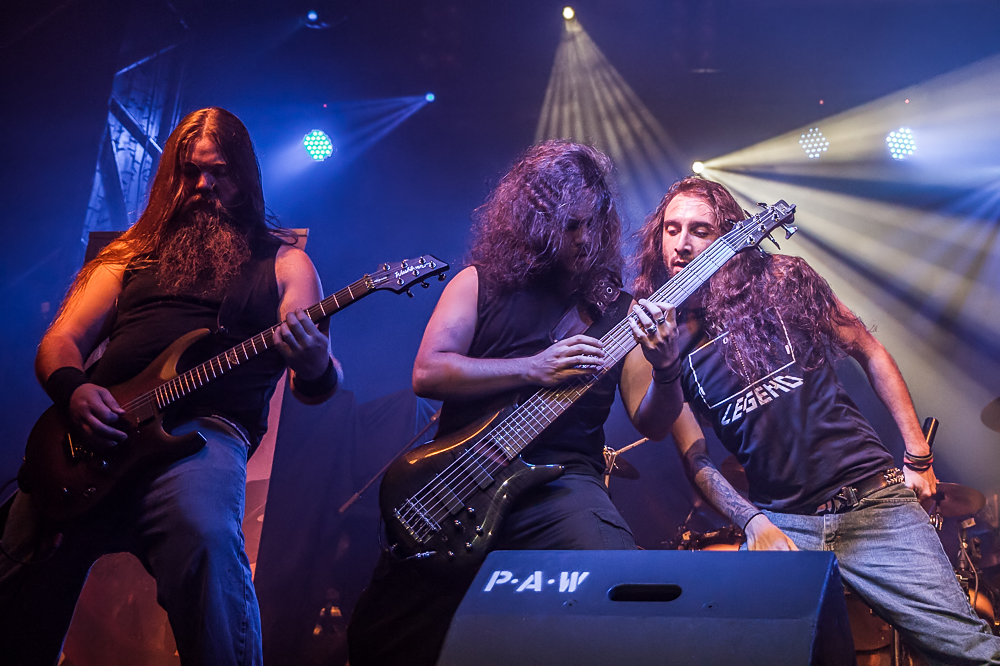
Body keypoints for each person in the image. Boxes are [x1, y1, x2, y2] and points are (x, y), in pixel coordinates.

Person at [0, 107, 341, 666]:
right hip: (96, 431)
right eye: (190, 171)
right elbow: (61, 340)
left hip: (204, 436)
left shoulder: (285, 264)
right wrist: (75, 391)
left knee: (204, 535)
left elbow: (316, 381)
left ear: (245, 177)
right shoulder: (127, 255)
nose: (204, 185)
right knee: (20, 556)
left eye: (220, 171)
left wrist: (315, 361)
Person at [633, 176, 1000, 664]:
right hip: (784, 522)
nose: (682, 243)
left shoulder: (781, 279)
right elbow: (690, 453)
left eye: (700, 230)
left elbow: (868, 349)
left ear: (727, 236)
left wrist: (918, 454)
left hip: (872, 502)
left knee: (969, 651)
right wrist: (752, 521)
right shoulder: (658, 335)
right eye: (672, 229)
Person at [347, 140, 684, 666]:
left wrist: (666, 368)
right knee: (384, 640)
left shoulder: (624, 312)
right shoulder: (477, 282)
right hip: (461, 480)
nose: (585, 238)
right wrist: (532, 367)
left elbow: (654, 422)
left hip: (562, 484)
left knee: (618, 586)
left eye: (594, 223)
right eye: (571, 225)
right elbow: (427, 372)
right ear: (537, 220)